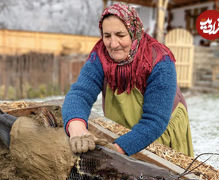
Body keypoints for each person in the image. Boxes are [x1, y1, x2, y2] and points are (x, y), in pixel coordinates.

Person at [62, 3, 194, 157]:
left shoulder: (160, 61)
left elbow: (155, 121)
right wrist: (77, 127)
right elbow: (81, 93)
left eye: (120, 35)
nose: (113, 44)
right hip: (126, 121)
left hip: (161, 128)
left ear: (134, 32)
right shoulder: (100, 55)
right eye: (107, 36)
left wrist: (116, 150)